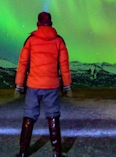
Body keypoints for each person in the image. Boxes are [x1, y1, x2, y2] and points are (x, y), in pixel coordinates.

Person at [14, 11, 72, 157]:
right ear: (51, 23)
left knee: (29, 116)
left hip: (33, 85)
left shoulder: (31, 40)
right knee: (53, 116)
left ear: (38, 23)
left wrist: (19, 85)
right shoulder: (58, 41)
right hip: (51, 85)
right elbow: (64, 65)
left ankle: (22, 151)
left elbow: (23, 64)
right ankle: (57, 152)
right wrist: (67, 86)